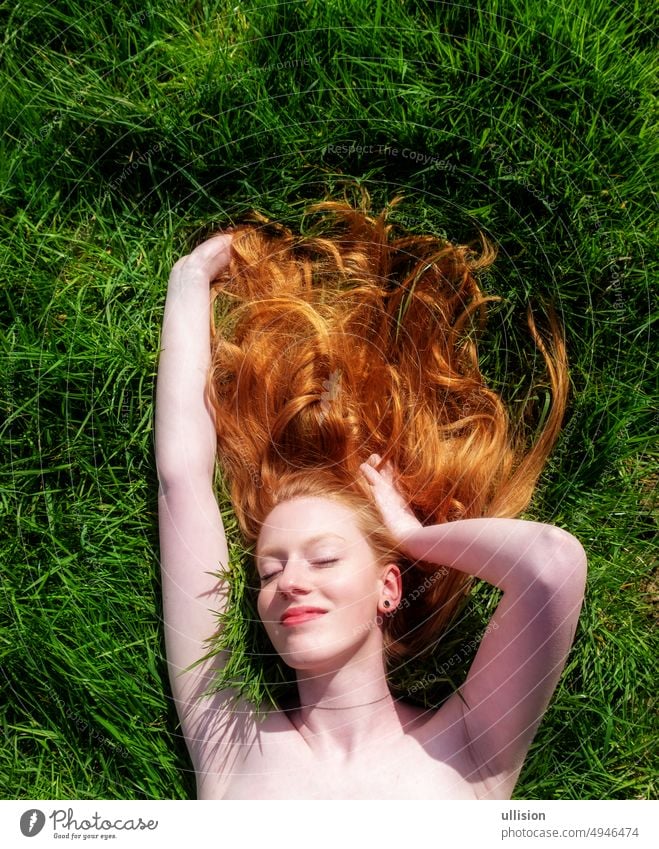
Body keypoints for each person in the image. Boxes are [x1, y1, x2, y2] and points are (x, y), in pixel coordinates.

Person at [154, 190, 587, 800]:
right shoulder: (227, 741)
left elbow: (551, 564)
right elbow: (182, 477)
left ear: (389, 586)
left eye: (324, 557)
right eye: (269, 571)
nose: (290, 583)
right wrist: (190, 277)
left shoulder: (469, 748)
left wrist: (412, 537)